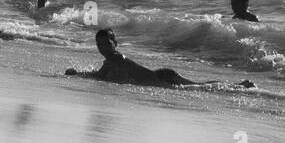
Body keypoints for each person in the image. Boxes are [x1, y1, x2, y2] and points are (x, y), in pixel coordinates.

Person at [64, 29, 249, 88]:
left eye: (106, 43)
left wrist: (77, 74)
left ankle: (240, 86)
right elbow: (102, 76)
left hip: (162, 78)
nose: (102, 47)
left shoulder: (115, 57)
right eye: (99, 44)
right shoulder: (112, 60)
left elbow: (98, 76)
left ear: (115, 43)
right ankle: (239, 85)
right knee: (199, 85)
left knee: (200, 87)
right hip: (161, 75)